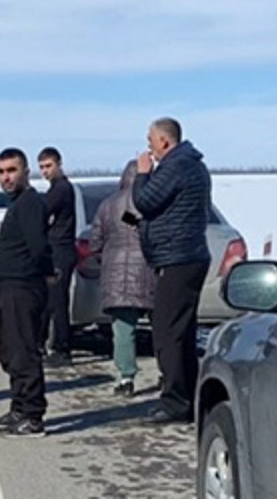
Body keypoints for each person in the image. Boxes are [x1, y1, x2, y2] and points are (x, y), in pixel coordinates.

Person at [133, 117, 211, 425]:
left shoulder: (176, 166)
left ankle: (176, 401)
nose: (148, 147)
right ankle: (188, 399)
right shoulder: (190, 165)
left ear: (164, 141)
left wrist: (142, 174)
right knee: (181, 332)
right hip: (183, 256)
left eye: (150, 140)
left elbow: (145, 201)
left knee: (168, 333)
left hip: (178, 258)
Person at [0, 148, 52, 438]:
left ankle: (33, 416)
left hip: (22, 287)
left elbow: (38, 247)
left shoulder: (30, 203)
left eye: (12, 171)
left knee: (24, 352)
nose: (6, 177)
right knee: (11, 351)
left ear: (26, 172)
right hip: (9, 285)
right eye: (1, 172)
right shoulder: (19, 203)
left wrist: (46, 272)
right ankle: (19, 407)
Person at [87, 160, 155, 397]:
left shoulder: (108, 205)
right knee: (162, 328)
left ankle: (126, 377)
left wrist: (106, 260)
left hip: (116, 274)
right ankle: (167, 374)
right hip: (150, 271)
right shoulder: (154, 203)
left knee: (124, 330)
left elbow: (95, 243)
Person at [38, 147, 76, 368]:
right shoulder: (55, 188)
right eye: (42, 167)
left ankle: (62, 348)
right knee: (47, 300)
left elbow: (41, 211)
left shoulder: (61, 188)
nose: (45, 171)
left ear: (59, 164)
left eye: (48, 166)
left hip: (61, 250)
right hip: (54, 249)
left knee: (57, 301)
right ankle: (41, 343)